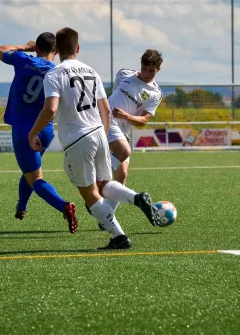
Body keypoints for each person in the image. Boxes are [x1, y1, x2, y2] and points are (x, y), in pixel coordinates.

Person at [28, 27, 159, 250]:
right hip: (100, 132)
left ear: (57, 49)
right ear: (78, 48)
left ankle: (118, 236)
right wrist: (104, 132)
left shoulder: (54, 73)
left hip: (78, 139)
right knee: (104, 184)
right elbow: (105, 108)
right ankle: (137, 198)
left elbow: (51, 109)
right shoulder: (92, 71)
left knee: (89, 193)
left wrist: (33, 133)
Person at [0, 33, 78, 234]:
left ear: (36, 47)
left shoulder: (23, 60)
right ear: (55, 52)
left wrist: (24, 46)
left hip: (24, 131)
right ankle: (22, 207)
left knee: (36, 178)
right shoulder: (58, 72)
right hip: (45, 129)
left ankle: (64, 206)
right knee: (31, 171)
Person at [103, 49, 163, 222]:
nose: (146, 73)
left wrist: (126, 117)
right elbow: (113, 97)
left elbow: (143, 120)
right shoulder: (123, 74)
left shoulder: (155, 93)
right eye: (144, 68)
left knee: (121, 174)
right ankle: (97, 184)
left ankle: (106, 215)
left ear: (158, 69)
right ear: (140, 66)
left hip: (123, 128)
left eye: (151, 70)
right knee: (124, 151)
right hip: (107, 119)